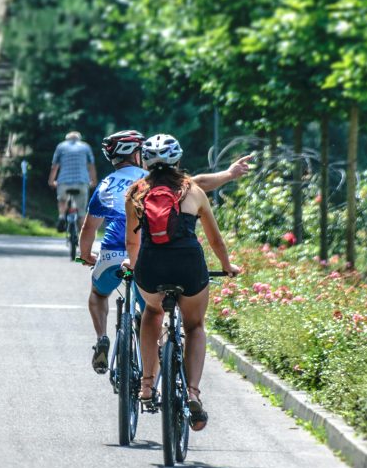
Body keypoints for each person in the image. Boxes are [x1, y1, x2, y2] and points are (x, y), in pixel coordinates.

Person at [79, 130, 251, 375]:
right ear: (137, 155)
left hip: (114, 256)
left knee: (98, 293)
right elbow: (198, 183)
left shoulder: (107, 184)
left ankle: (102, 337)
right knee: (154, 313)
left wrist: (86, 255)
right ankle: (162, 367)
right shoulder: (152, 180)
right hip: (154, 257)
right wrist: (229, 174)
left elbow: (89, 228)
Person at [123, 134, 241, 432]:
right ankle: (192, 392)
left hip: (151, 266)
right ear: (177, 160)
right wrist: (227, 266)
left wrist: (133, 265)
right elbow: (214, 239)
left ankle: (147, 386)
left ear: (145, 162)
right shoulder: (194, 191)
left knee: (152, 313)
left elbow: (132, 241)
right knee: (195, 327)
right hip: (189, 266)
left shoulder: (135, 192)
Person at [48, 131, 97, 232]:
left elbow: (55, 166)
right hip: (82, 182)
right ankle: (81, 238)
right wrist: (94, 181)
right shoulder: (85, 147)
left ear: (67, 139)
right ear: (79, 139)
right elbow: (91, 165)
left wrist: (51, 181)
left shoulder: (61, 146)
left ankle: (61, 216)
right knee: (82, 212)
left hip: (63, 182)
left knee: (62, 200)